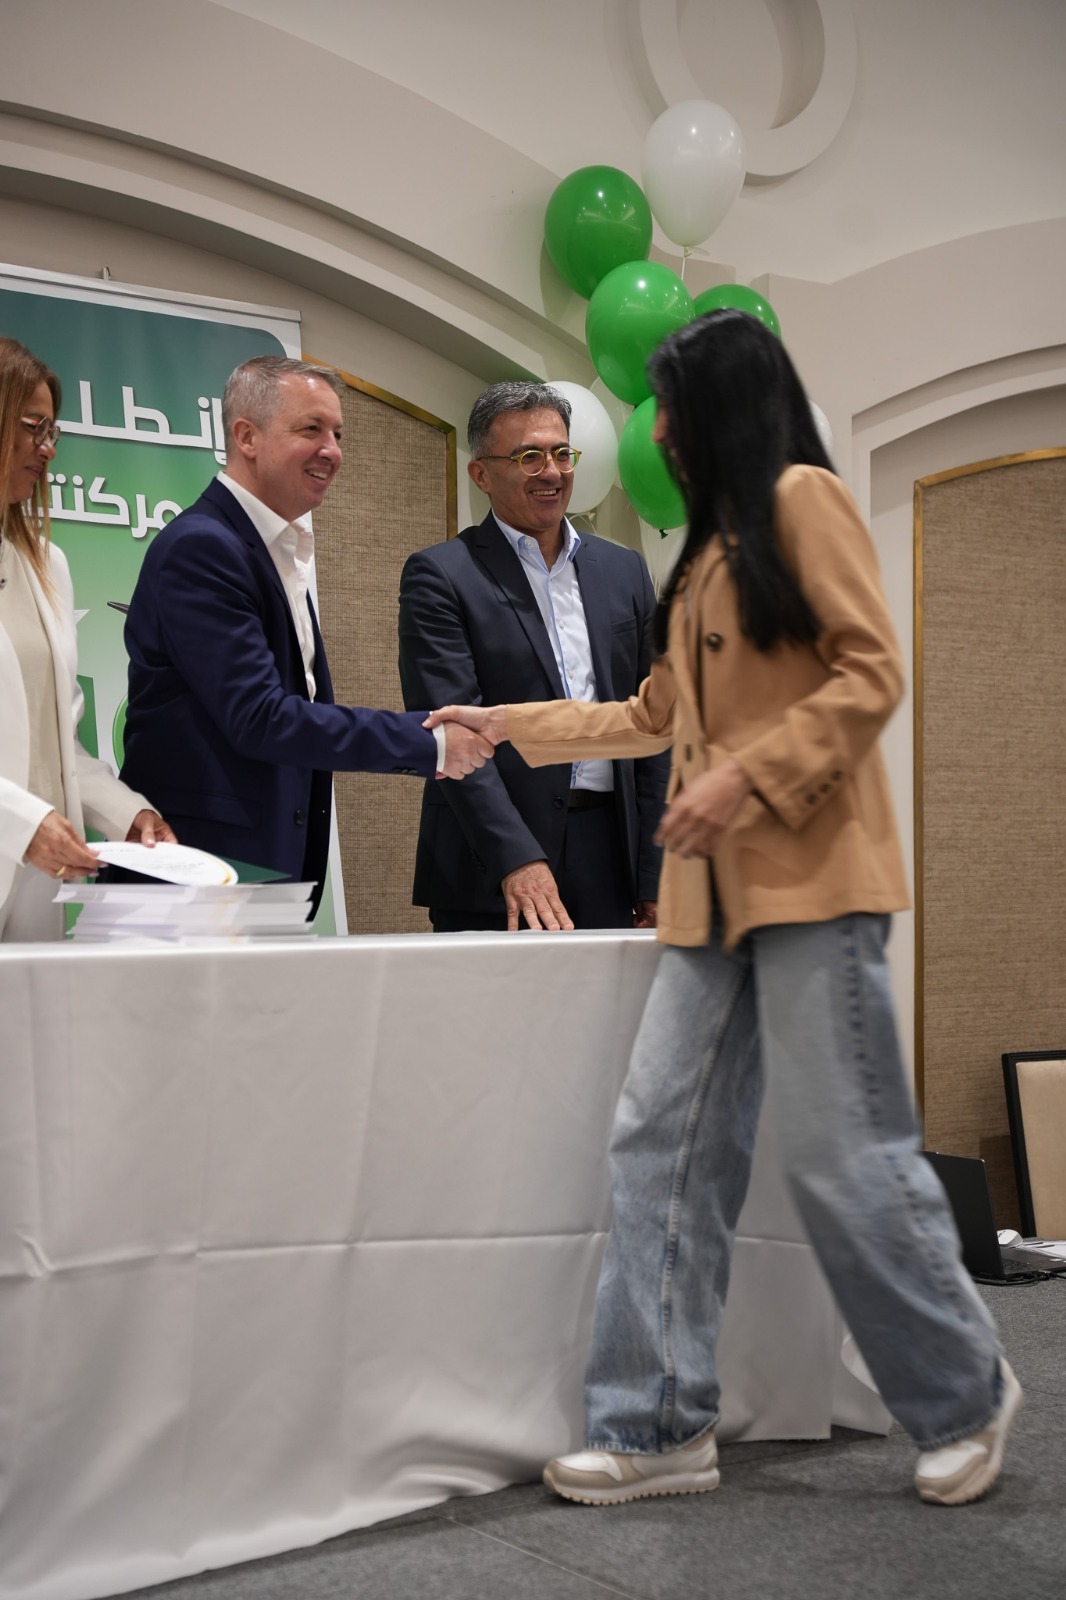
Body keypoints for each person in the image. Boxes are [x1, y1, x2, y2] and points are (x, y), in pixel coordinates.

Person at [428, 311, 1019, 1507]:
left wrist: (746, 777)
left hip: (812, 886)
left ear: (721, 405)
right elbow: (651, 716)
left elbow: (871, 670)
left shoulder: (803, 500)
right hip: (708, 908)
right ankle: (655, 1423)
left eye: (668, 406)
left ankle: (962, 1394)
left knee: (843, 1157)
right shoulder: (707, 549)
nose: (654, 431)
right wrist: (505, 724)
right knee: (660, 1141)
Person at [121, 356, 493, 907]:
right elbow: (261, 718)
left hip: (262, 869)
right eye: (311, 429)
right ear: (246, 436)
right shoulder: (203, 547)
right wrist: (428, 742)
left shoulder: (274, 547)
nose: (332, 451)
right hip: (198, 874)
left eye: (338, 433)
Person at [398, 381, 668, 932]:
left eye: (562, 453)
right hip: (490, 862)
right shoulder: (441, 575)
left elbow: (657, 726)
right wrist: (515, 858)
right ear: (481, 474)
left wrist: (657, 873)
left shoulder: (625, 572)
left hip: (610, 856)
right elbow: (453, 733)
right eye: (529, 457)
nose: (552, 472)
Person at [0, 337, 173, 942]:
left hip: (38, 878)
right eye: (33, 427)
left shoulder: (47, 564)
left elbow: (58, 741)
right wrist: (19, 822)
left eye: (53, 431)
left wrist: (128, 812)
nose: (48, 449)